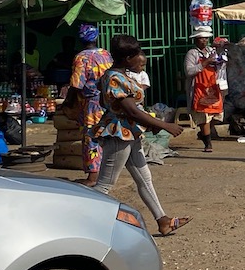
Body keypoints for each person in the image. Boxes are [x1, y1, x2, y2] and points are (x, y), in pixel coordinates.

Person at [93, 35, 189, 235]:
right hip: (120, 135)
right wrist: (164, 125)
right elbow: (132, 111)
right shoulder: (115, 78)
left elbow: (114, 106)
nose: (142, 59)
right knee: (105, 184)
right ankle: (81, 221)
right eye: (138, 55)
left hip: (130, 132)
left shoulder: (117, 75)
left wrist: (147, 123)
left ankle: (163, 220)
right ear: (128, 58)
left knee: (145, 178)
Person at [68, 22, 113, 187]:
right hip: (108, 100)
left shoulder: (81, 57)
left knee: (91, 137)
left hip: (92, 104)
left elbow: (76, 84)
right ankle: (105, 172)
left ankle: (93, 177)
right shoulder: (106, 54)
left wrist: (67, 103)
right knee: (105, 135)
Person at [184, 29, 225, 153]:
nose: (205, 41)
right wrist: (206, 62)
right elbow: (189, 71)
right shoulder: (192, 54)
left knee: (216, 114)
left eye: (206, 38)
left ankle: (204, 134)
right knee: (203, 116)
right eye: (202, 38)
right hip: (198, 88)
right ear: (196, 40)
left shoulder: (210, 51)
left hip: (211, 87)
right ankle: (208, 143)